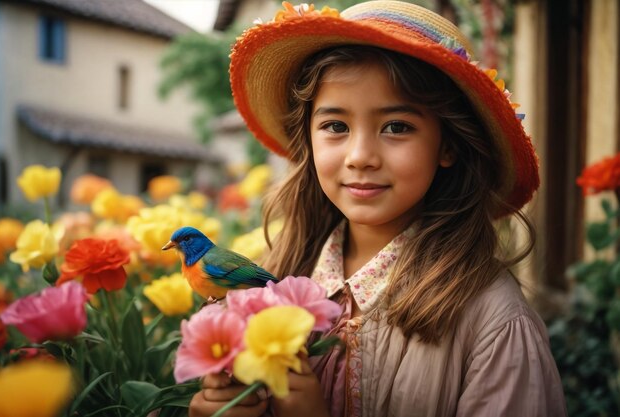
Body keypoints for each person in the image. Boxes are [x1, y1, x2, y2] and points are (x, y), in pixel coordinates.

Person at [189, 1, 567, 416]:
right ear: (308, 139)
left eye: (397, 127)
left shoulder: (494, 326)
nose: (360, 156)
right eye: (336, 126)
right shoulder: (270, 279)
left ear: (448, 145)